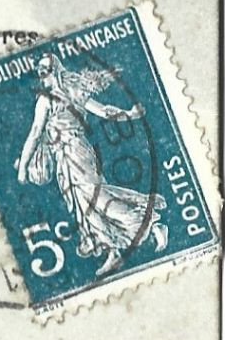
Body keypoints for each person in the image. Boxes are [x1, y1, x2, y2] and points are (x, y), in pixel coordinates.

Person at [15, 52, 168, 277]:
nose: (41, 75)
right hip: (68, 156)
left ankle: (150, 224)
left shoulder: (47, 100)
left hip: (74, 152)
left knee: (95, 197)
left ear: (55, 71)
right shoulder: (66, 94)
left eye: (45, 70)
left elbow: (36, 133)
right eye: (39, 71)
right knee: (85, 201)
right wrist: (128, 114)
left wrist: (22, 169)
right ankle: (112, 248)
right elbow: (104, 111)